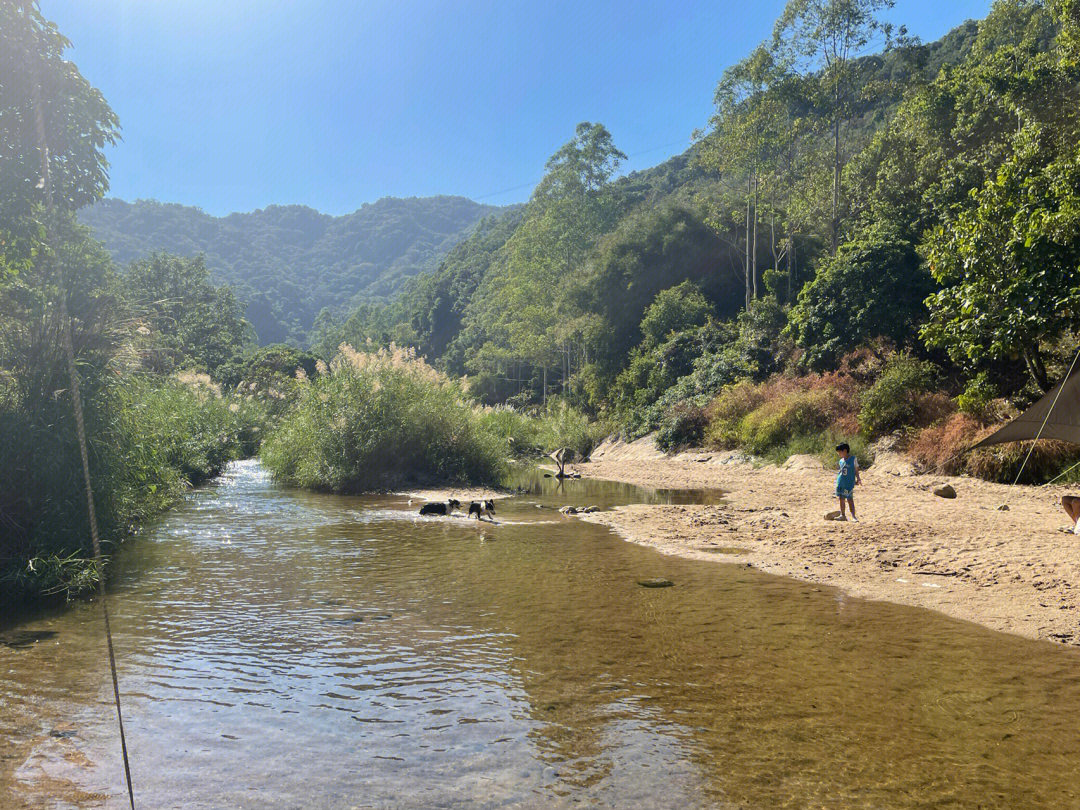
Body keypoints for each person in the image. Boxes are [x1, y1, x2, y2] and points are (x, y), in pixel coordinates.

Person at [835, 442, 861, 521]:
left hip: (848, 483)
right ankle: (843, 515)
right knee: (841, 498)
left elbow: (856, 470)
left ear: (845, 451)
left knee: (849, 499)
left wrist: (858, 479)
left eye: (840, 452)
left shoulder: (853, 459)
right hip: (840, 482)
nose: (839, 454)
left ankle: (853, 516)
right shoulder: (841, 461)